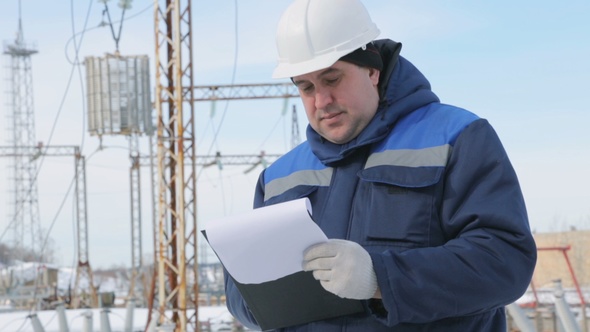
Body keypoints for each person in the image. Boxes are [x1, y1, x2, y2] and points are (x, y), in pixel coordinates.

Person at [224, 0, 537, 330]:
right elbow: (242, 297)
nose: (321, 101)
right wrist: (255, 294)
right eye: (306, 87)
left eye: (332, 79)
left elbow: (504, 262)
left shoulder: (457, 138)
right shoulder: (278, 178)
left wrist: (381, 278)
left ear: (372, 69)